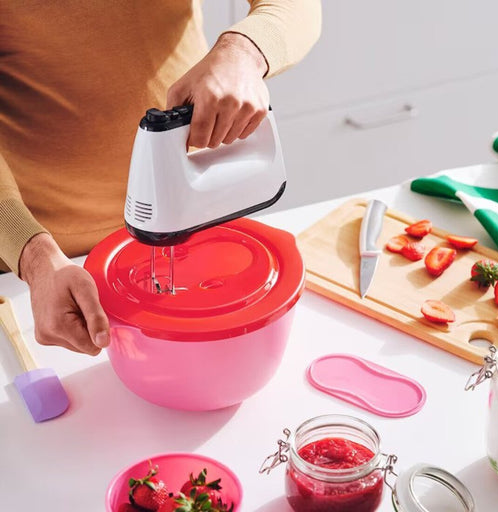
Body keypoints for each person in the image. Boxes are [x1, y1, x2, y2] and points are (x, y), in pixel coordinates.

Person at [0, 1, 321, 355]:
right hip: (53, 266)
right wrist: (32, 257)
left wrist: (244, 51)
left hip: (197, 217)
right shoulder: (39, 262)